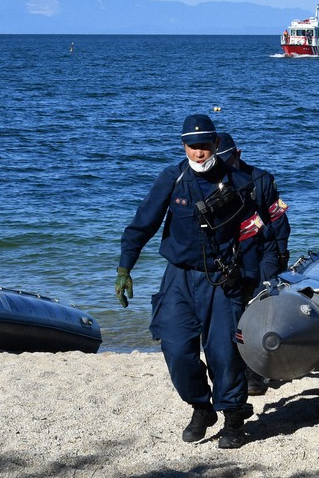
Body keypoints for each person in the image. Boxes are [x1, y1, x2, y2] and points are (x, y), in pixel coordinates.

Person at [114, 114, 266, 449]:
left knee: (224, 353)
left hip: (222, 281)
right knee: (175, 347)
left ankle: (233, 419)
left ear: (215, 144)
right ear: (183, 146)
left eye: (204, 146)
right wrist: (125, 268)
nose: (198, 153)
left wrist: (253, 283)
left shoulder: (240, 182)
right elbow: (142, 224)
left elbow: (256, 236)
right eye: (191, 146)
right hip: (178, 279)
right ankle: (201, 406)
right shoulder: (172, 178)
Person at [216, 132, 291, 396]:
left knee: (262, 308)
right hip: (229, 255)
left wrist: (282, 253)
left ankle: (256, 371)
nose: (224, 166)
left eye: (227, 160)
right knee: (231, 312)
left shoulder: (261, 179)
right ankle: (237, 365)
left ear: (238, 154)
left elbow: (278, 219)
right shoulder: (212, 183)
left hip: (263, 251)